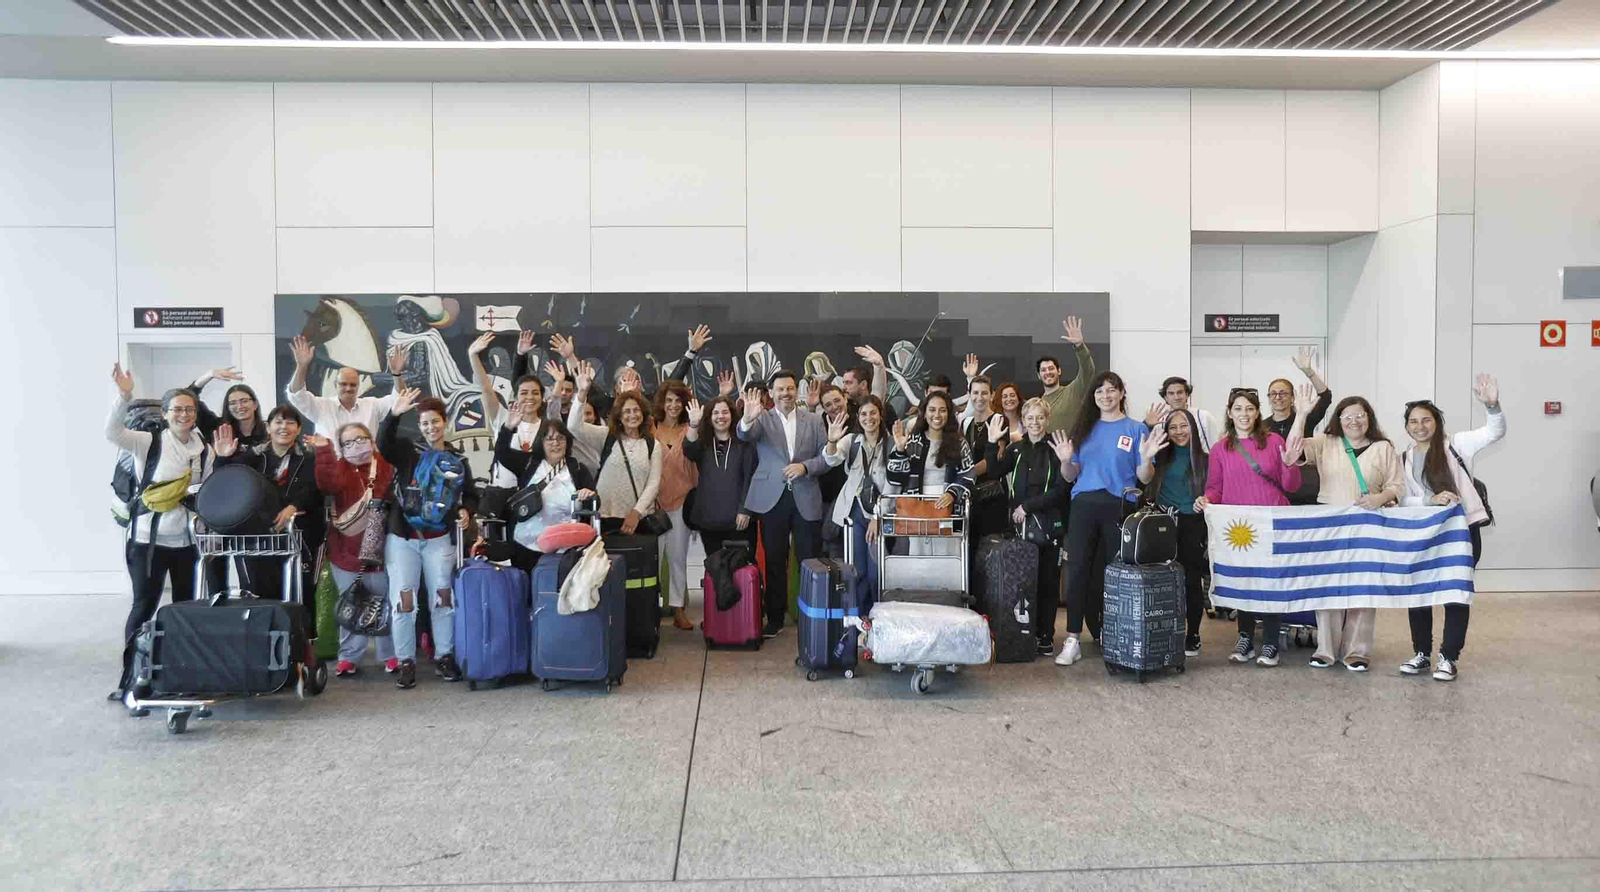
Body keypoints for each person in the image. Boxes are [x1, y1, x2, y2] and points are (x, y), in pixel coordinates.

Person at [106, 364, 217, 701]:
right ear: (166, 414)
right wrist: (124, 396)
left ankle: (180, 673)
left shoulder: (204, 449)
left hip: (187, 542)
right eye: (177, 409)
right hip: (148, 541)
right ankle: (129, 677)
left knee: (185, 608)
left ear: (196, 414)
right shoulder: (148, 441)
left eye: (189, 408)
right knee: (144, 606)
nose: (184, 414)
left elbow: (206, 489)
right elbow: (113, 432)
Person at [1397, 374, 1504, 682]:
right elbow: (1404, 499)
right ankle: (1421, 653)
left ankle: (1448, 657)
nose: (1420, 426)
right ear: (1406, 426)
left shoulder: (1457, 445)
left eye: (1426, 420)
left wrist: (1493, 405)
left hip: (1461, 533)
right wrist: (1431, 500)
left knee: (1455, 593)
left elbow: (1495, 432)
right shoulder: (1402, 457)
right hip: (1423, 535)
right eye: (1413, 421)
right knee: (1419, 593)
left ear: (1437, 422)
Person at [1193, 387, 1307, 667]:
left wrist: (1291, 465)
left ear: (1258, 413)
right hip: (1239, 527)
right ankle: (1244, 637)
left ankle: (1269, 643)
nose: (1244, 414)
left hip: (1271, 522)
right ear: (1230, 413)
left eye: (1250, 409)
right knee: (1242, 581)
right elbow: (1215, 488)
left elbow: (1292, 486)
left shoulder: (1274, 441)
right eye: (1238, 409)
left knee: (1270, 582)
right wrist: (1207, 499)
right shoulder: (1221, 448)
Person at [378, 390, 479, 689]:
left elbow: (470, 494)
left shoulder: (458, 458)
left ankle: (445, 656)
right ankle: (405, 660)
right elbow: (383, 445)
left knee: (443, 599)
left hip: (439, 539)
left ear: (445, 422)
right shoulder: (408, 452)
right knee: (404, 601)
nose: (430, 427)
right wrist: (393, 415)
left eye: (435, 422)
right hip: (403, 538)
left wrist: (466, 510)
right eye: (424, 423)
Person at [1297, 393, 1404, 672]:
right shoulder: (1326, 443)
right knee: (1328, 587)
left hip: (1368, 527)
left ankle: (1357, 651)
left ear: (1369, 418)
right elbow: (1291, 452)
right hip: (1330, 525)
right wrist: (1301, 415)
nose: (1354, 421)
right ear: (1338, 420)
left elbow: (1397, 486)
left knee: (1362, 587)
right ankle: (1325, 649)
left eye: (1360, 415)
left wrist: (1380, 499)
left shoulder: (1383, 447)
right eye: (1347, 416)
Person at [1052, 371, 1149, 667]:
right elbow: (1070, 476)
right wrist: (1066, 460)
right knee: (1078, 570)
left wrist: (1146, 459)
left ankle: (1118, 635)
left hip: (1120, 505)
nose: (1105, 396)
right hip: (1083, 504)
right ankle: (1072, 639)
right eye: (1099, 392)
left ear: (1121, 394)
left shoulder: (1136, 429)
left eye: (1111, 390)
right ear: (1092, 397)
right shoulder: (1084, 429)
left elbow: (1144, 477)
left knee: (1117, 574)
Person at [739, 369, 830, 638]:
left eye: (790, 388)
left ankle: (808, 615)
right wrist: (746, 417)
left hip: (806, 496)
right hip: (772, 500)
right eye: (780, 389)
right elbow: (744, 435)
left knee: (808, 560)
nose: (785, 393)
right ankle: (775, 618)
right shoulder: (761, 419)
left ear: (797, 391)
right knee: (775, 560)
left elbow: (826, 457)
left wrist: (804, 466)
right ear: (772, 393)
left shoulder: (814, 421)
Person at [987, 398, 1071, 656]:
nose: (1035, 423)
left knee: (1047, 583)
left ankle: (1045, 636)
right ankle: (1024, 634)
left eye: (1040, 418)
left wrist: (1027, 507)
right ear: (1023, 421)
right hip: (1020, 530)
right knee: (1023, 584)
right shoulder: (1015, 449)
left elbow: (1061, 489)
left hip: (1048, 528)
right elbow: (994, 471)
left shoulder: (1055, 449)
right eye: (1030, 418)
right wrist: (992, 444)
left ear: (1047, 420)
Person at [312, 423, 397, 677]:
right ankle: (349, 656)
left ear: (371, 440)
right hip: (344, 551)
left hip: (383, 549)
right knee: (350, 603)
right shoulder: (338, 468)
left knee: (385, 605)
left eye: (360, 439)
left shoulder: (386, 465)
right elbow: (325, 485)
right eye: (347, 443)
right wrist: (324, 452)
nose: (355, 446)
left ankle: (390, 655)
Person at [212, 405, 320, 605]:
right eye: (278, 422)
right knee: (257, 593)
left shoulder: (309, 458)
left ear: (298, 428)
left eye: (290, 422)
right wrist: (222, 458)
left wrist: (294, 506)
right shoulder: (252, 456)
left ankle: (300, 636)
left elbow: (314, 489)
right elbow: (226, 481)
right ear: (268, 427)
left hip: (298, 536)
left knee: (300, 593)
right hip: (256, 537)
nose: (284, 427)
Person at [1142, 409, 1210, 657]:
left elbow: (1215, 490)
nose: (1179, 431)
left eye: (1184, 426)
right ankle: (1166, 631)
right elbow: (1144, 477)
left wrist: (1206, 499)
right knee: (1163, 582)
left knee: (1191, 581)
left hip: (1193, 524)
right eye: (1173, 427)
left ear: (1193, 428)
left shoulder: (1205, 459)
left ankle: (1192, 634)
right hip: (1162, 523)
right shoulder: (1159, 457)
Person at [492, 416, 597, 573]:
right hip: (527, 545)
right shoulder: (528, 463)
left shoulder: (578, 469)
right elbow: (501, 452)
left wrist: (587, 495)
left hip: (566, 548)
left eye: (560, 438)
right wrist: (508, 427)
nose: (555, 443)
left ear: (567, 442)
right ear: (541, 442)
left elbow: (595, 502)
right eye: (549, 439)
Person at [568, 364, 663, 536]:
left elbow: (653, 485)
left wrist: (636, 512)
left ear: (643, 414)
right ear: (618, 416)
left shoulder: (652, 445)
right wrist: (581, 393)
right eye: (626, 411)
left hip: (638, 520)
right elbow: (574, 427)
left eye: (636, 410)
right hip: (604, 518)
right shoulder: (606, 436)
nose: (632, 415)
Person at [822, 395, 893, 607]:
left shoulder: (891, 443)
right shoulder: (852, 440)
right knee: (857, 571)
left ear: (880, 415)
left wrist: (877, 516)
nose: (868, 418)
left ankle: (879, 616)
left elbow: (894, 484)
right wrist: (832, 441)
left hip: (881, 515)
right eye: (863, 414)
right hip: (853, 513)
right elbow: (831, 458)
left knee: (876, 573)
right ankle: (859, 622)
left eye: (873, 413)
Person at [887, 391, 975, 557]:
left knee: (949, 559)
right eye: (932, 410)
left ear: (949, 414)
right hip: (916, 511)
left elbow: (969, 476)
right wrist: (899, 450)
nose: (937, 415)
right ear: (924, 413)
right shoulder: (912, 440)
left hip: (948, 509)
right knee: (919, 560)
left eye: (942, 410)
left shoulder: (959, 443)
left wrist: (952, 493)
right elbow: (894, 478)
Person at [286, 334, 405, 455]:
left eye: (353, 385)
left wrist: (396, 374)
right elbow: (297, 394)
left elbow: (400, 400)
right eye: (343, 384)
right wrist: (302, 366)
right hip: (330, 469)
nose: (348, 388)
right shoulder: (320, 406)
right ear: (335, 384)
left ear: (358, 386)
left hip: (365, 470)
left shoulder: (372, 406)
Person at [684, 395, 758, 557]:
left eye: (725, 412)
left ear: (732, 415)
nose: (721, 417)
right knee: (715, 569)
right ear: (709, 418)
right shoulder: (703, 443)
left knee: (741, 571)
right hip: (709, 519)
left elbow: (750, 478)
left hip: (739, 520)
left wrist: (745, 510)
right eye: (715, 413)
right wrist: (694, 424)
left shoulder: (744, 443)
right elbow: (689, 450)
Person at [654, 380, 699, 630]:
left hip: (682, 502)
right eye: (668, 400)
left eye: (678, 400)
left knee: (677, 558)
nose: (673, 405)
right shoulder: (651, 429)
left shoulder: (690, 429)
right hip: (654, 506)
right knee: (654, 559)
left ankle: (678, 609)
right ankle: (650, 608)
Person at [1265, 348, 1333, 505]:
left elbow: (1325, 397)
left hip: (1305, 484)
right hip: (1275, 486)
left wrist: (1309, 372)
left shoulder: (1305, 417)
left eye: (1283, 393)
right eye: (1273, 394)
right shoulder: (1262, 426)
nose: (1278, 397)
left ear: (1292, 397)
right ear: (1269, 398)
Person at [1040, 316, 1097, 433]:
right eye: (1043, 370)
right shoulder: (1037, 404)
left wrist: (1080, 346)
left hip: (1075, 450)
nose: (1048, 372)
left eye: (1051, 368)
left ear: (1059, 371)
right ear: (1039, 375)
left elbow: (1088, 371)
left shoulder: (1073, 391)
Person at [1144, 377, 1219, 451]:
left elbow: (1216, 445)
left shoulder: (1203, 416)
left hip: (1201, 462)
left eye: (1180, 392)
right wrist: (1147, 425)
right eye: (1171, 393)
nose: (1176, 397)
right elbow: (1141, 445)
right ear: (1165, 397)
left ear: (1187, 395)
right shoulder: (1159, 420)